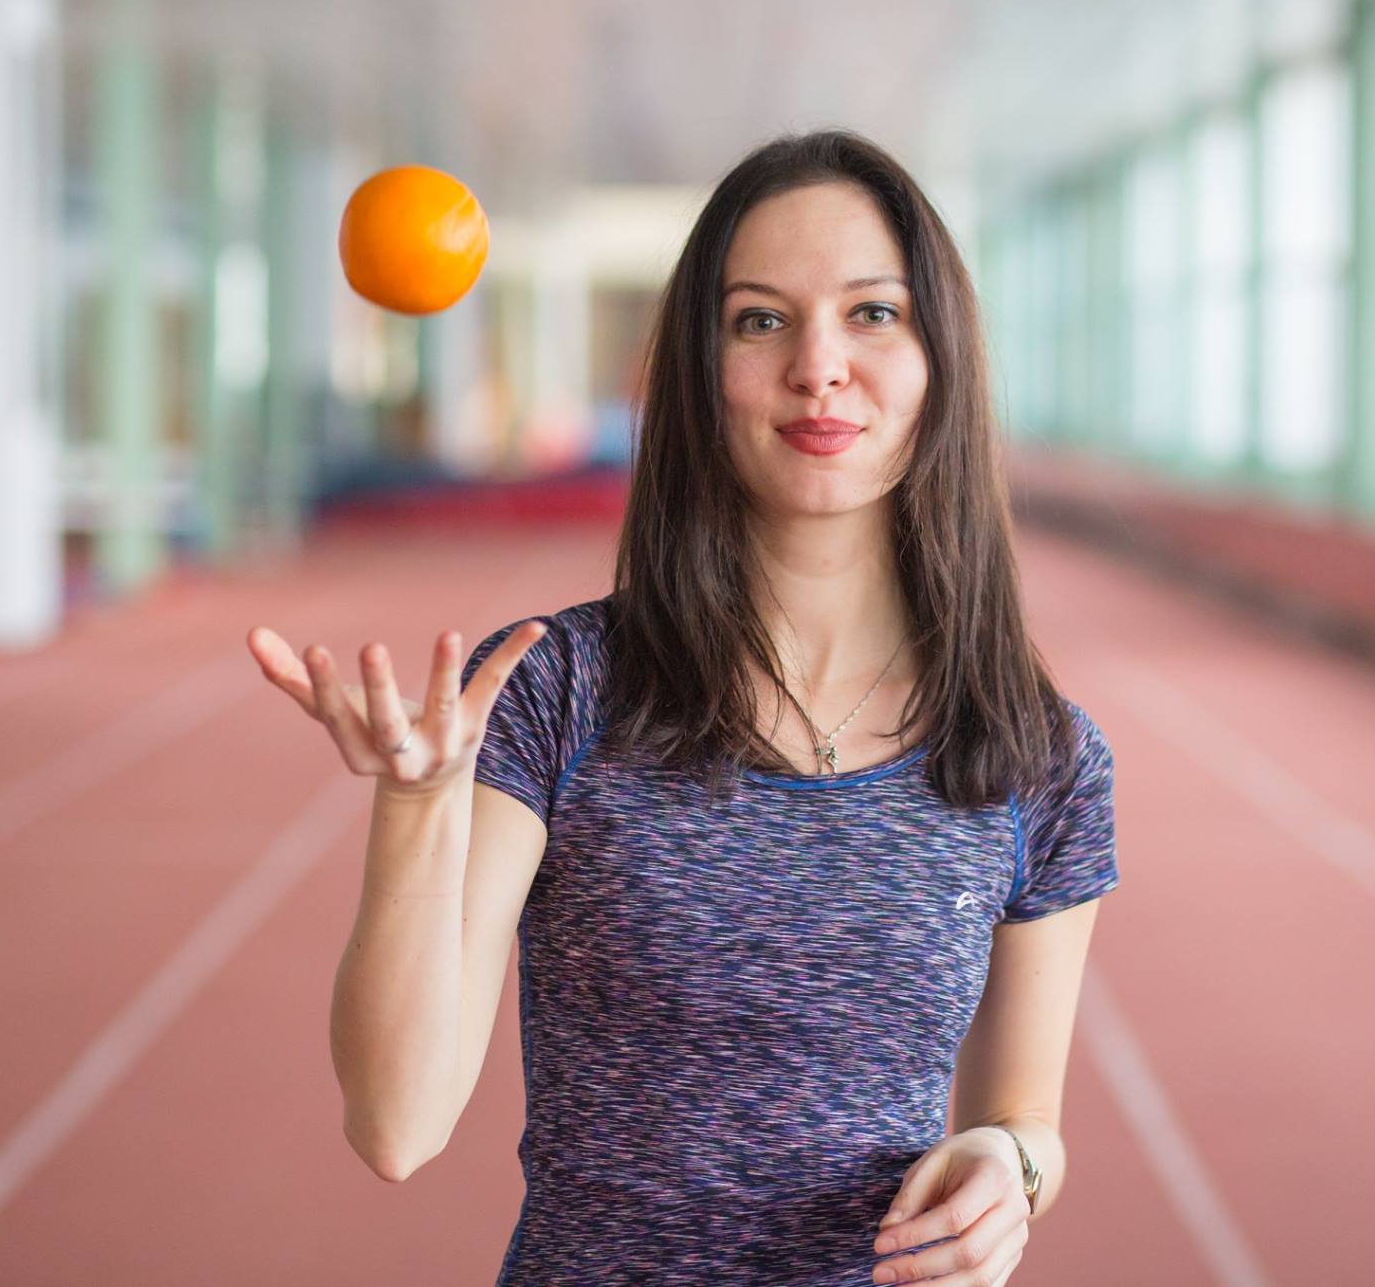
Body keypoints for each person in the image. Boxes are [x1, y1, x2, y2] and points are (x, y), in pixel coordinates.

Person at [248, 128, 1119, 1286]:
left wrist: (1008, 1168)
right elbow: (396, 1127)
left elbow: (1026, 1116)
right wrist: (418, 803)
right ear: (699, 370)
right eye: (759, 319)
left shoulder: (1037, 755)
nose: (818, 365)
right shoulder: (553, 692)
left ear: (939, 358)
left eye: (872, 314)